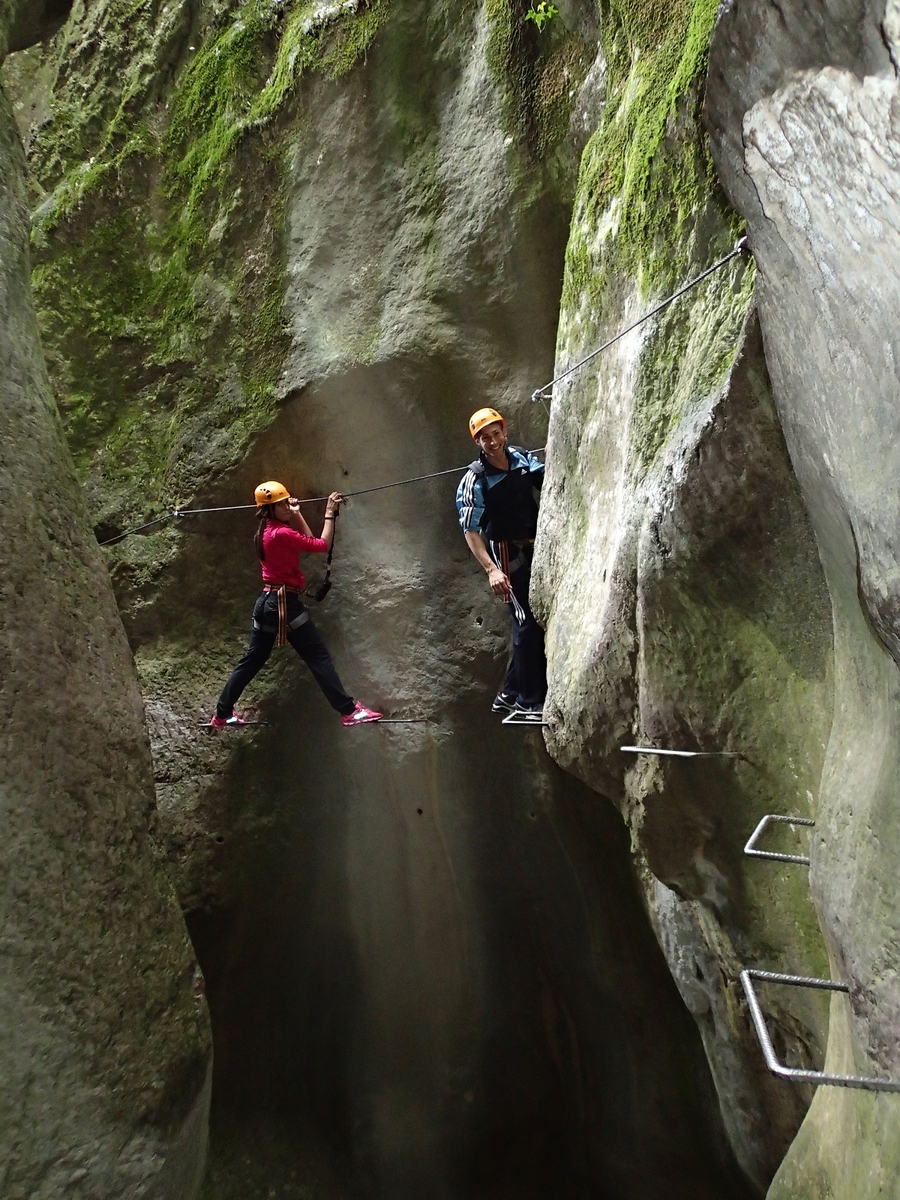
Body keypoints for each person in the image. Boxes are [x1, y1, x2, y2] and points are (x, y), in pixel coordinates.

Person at [210, 480, 382, 728]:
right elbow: (320, 545)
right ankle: (348, 711)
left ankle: (222, 713)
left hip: (266, 602)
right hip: (283, 604)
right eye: (282, 504)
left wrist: (297, 514)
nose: (286, 506)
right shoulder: (281, 534)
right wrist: (329, 513)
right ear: (271, 508)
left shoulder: (266, 531)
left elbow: (308, 541)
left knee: (253, 660)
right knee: (317, 656)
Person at [456, 408, 547, 719]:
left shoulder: (521, 458)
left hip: (534, 542)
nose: (492, 441)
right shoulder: (475, 479)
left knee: (532, 619)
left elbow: (543, 476)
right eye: (485, 437)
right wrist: (492, 570)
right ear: (477, 442)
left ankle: (509, 694)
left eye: (496, 433)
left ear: (503, 431)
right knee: (526, 620)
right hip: (506, 551)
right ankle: (529, 701)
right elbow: (470, 529)